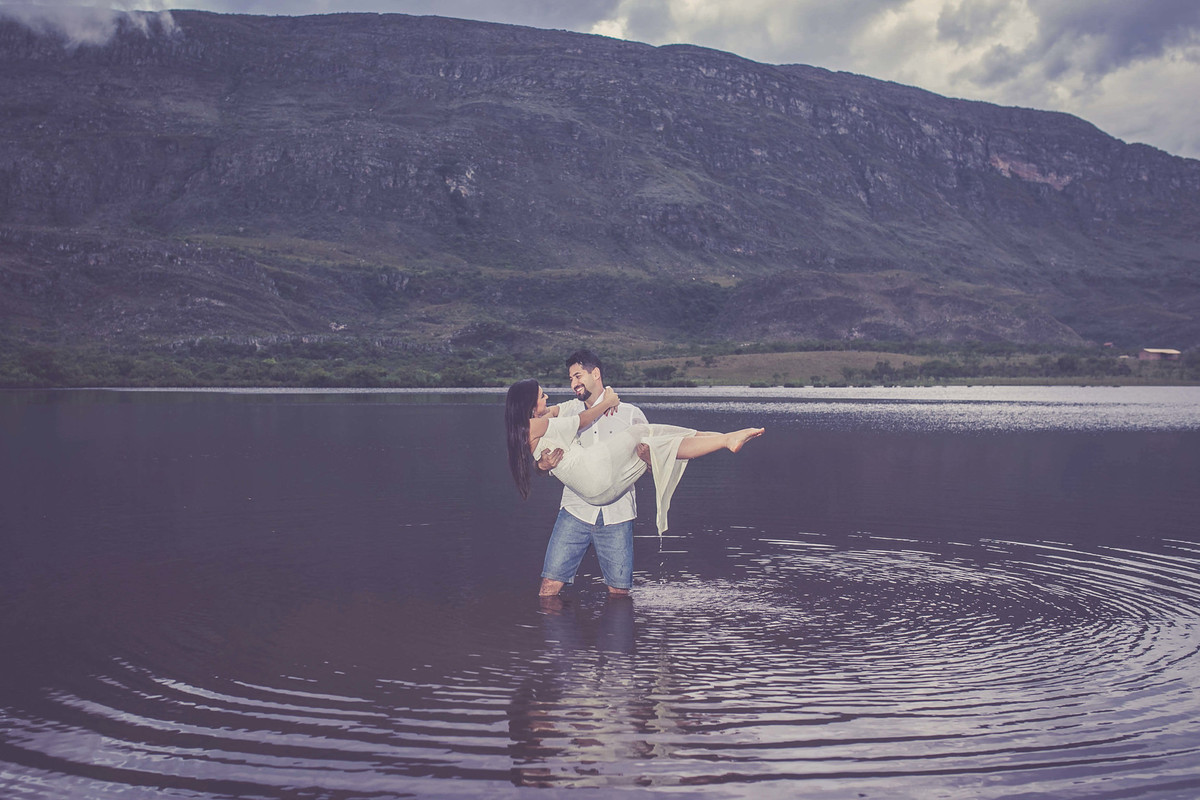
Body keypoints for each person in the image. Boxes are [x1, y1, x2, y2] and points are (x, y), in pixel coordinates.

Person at [504, 350, 763, 597]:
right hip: (576, 509)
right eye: (570, 378)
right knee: (550, 586)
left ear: (596, 374)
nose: (573, 384)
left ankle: (727, 438)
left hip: (617, 510)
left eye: (578, 376)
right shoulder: (568, 410)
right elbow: (542, 438)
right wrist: (541, 466)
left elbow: (651, 464)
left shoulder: (630, 413)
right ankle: (725, 439)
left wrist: (648, 458)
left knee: (619, 592)